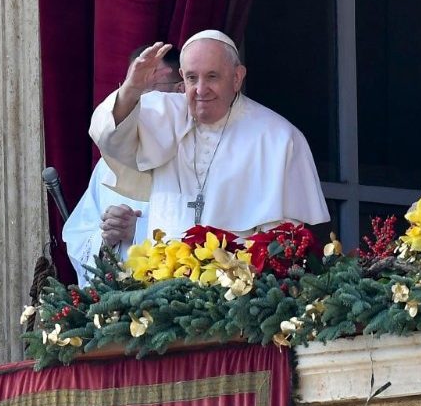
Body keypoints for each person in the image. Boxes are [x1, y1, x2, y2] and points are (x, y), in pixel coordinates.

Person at [88, 30, 328, 241]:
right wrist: (131, 89)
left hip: (239, 287)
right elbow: (108, 135)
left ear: (237, 78)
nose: (201, 90)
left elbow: (286, 240)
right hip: (159, 284)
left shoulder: (278, 137)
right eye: (192, 78)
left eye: (212, 77)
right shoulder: (164, 114)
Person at [62, 48, 182, 285]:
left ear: (180, 91)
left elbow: (213, 236)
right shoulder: (110, 165)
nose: (138, 106)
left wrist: (138, 231)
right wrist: (106, 236)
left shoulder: (199, 157)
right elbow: (78, 238)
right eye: (132, 92)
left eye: (149, 92)